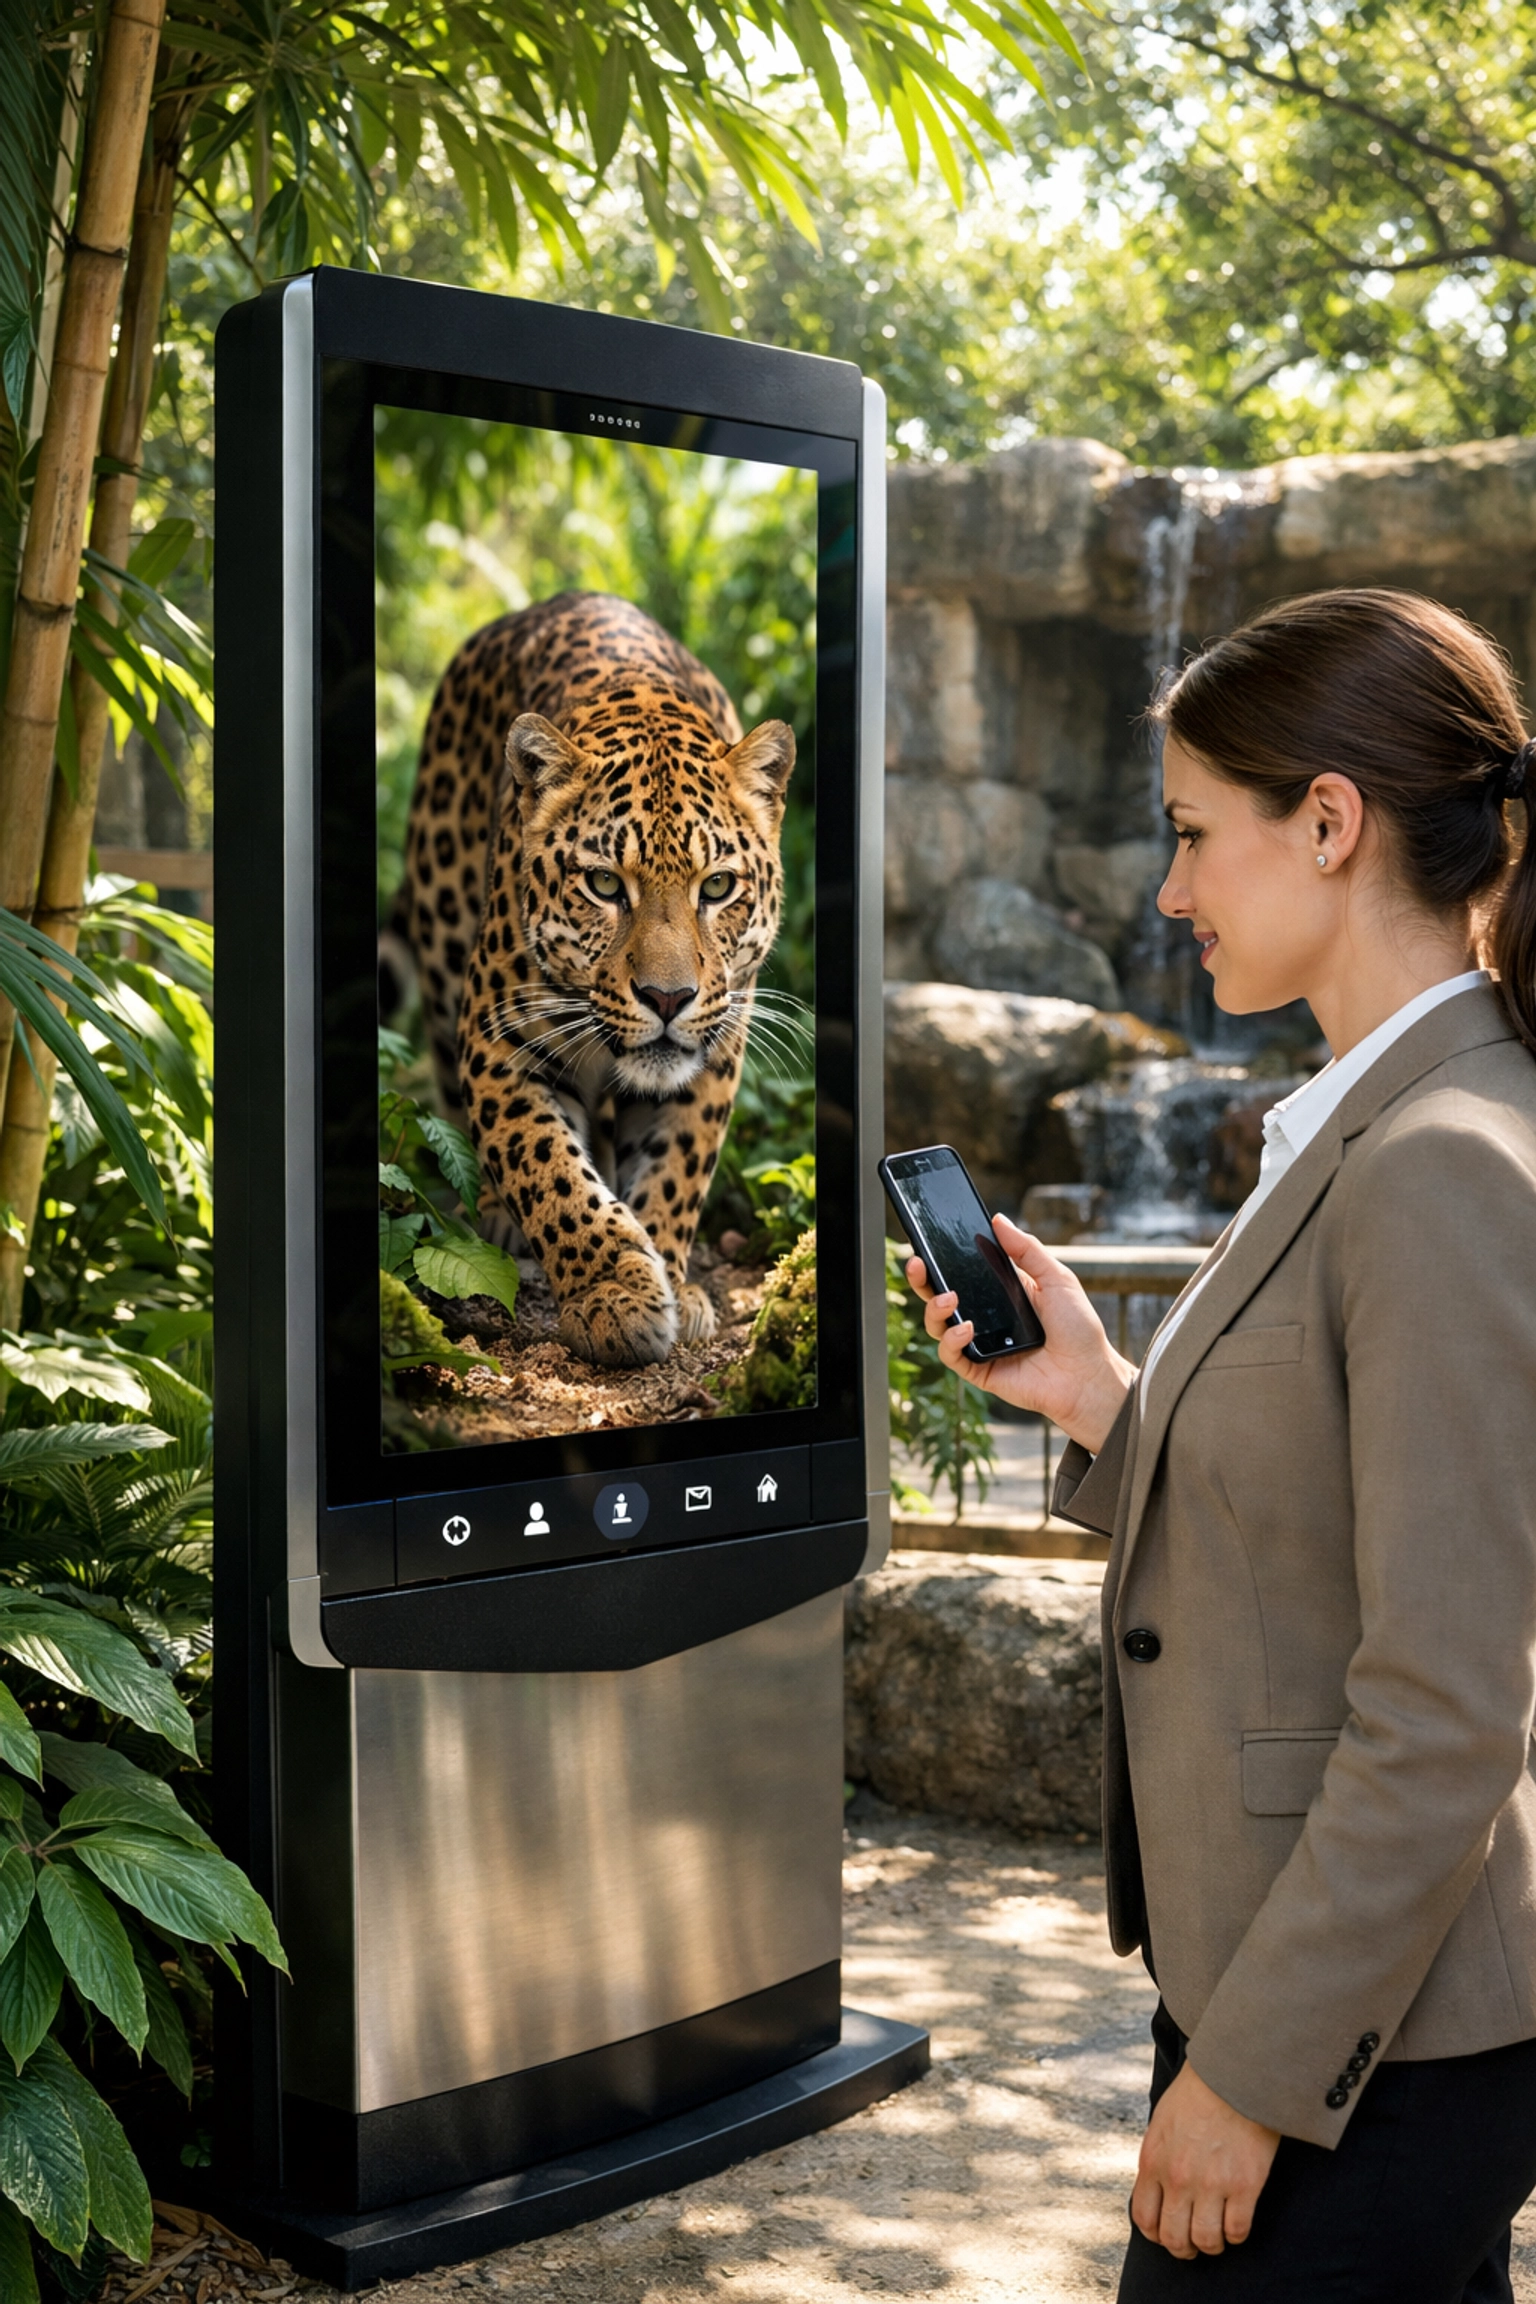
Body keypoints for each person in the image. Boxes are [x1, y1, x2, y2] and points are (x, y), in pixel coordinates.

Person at [904, 589, 1536, 2303]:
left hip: (1364, 2043)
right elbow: (1323, 1521)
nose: (1170, 891)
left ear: (1329, 823)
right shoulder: (1372, 1120)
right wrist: (1103, 1400)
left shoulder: (1439, 1161)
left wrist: (1249, 2077)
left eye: (1192, 834)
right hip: (1325, 1991)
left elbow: (1449, 1708)